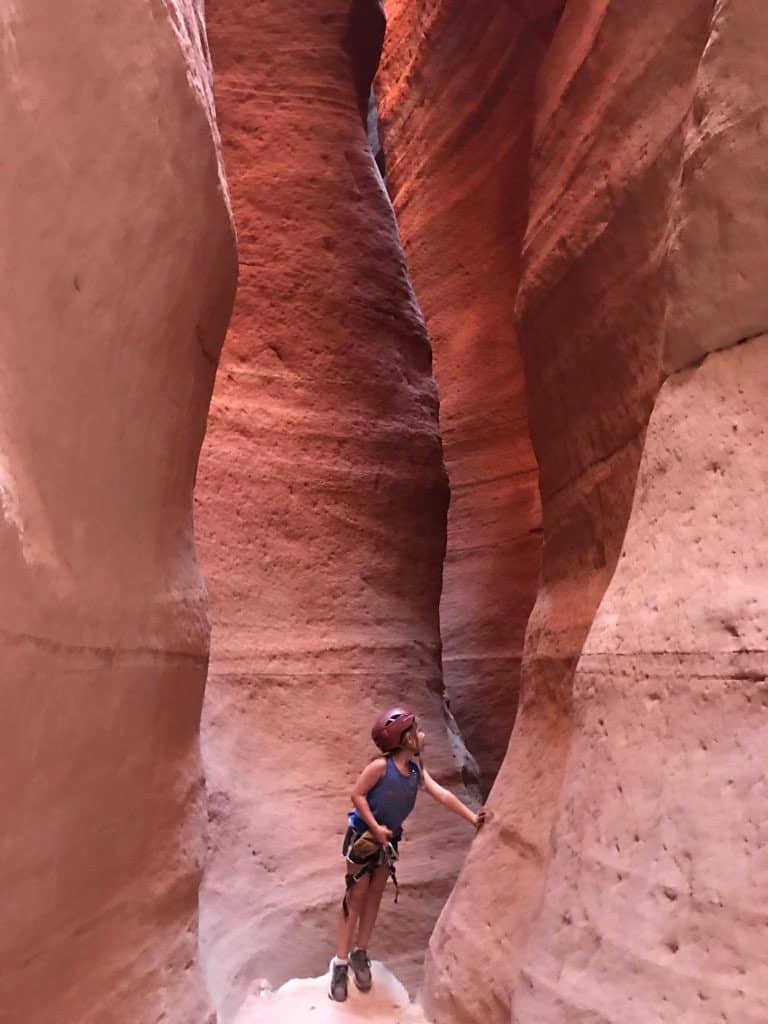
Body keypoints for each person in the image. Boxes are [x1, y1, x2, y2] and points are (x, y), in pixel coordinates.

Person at [329, 706, 486, 1002]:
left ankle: (360, 953)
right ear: (405, 739)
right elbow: (357, 795)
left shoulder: (416, 773)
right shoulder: (380, 767)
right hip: (363, 839)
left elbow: (443, 795)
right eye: (417, 730)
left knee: (374, 896)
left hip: (387, 843)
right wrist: (375, 828)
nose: (422, 735)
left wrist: (472, 817)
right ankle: (340, 963)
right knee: (355, 898)